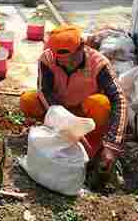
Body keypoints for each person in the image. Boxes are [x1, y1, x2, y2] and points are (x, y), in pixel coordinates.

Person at [20, 25, 128, 178]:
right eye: (61, 61)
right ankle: (55, 135)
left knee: (101, 104)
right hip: (60, 110)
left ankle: (93, 150)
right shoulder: (47, 59)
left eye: (71, 59)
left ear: (82, 47)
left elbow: (120, 100)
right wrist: (64, 121)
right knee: (28, 100)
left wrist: (113, 144)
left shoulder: (99, 63)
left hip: (86, 115)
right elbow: (45, 91)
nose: (67, 65)